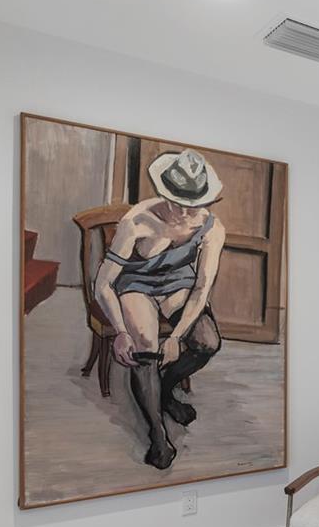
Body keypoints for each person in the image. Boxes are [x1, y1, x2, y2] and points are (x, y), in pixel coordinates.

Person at [93, 149, 227, 469]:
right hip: (136, 283)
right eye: (177, 201)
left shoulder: (211, 228)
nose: (184, 211)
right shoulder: (137, 221)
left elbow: (201, 288)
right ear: (164, 193)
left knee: (208, 341)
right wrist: (121, 331)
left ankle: (164, 390)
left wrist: (177, 337)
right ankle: (157, 433)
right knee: (146, 345)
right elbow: (103, 284)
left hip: (178, 284)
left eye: (193, 203)